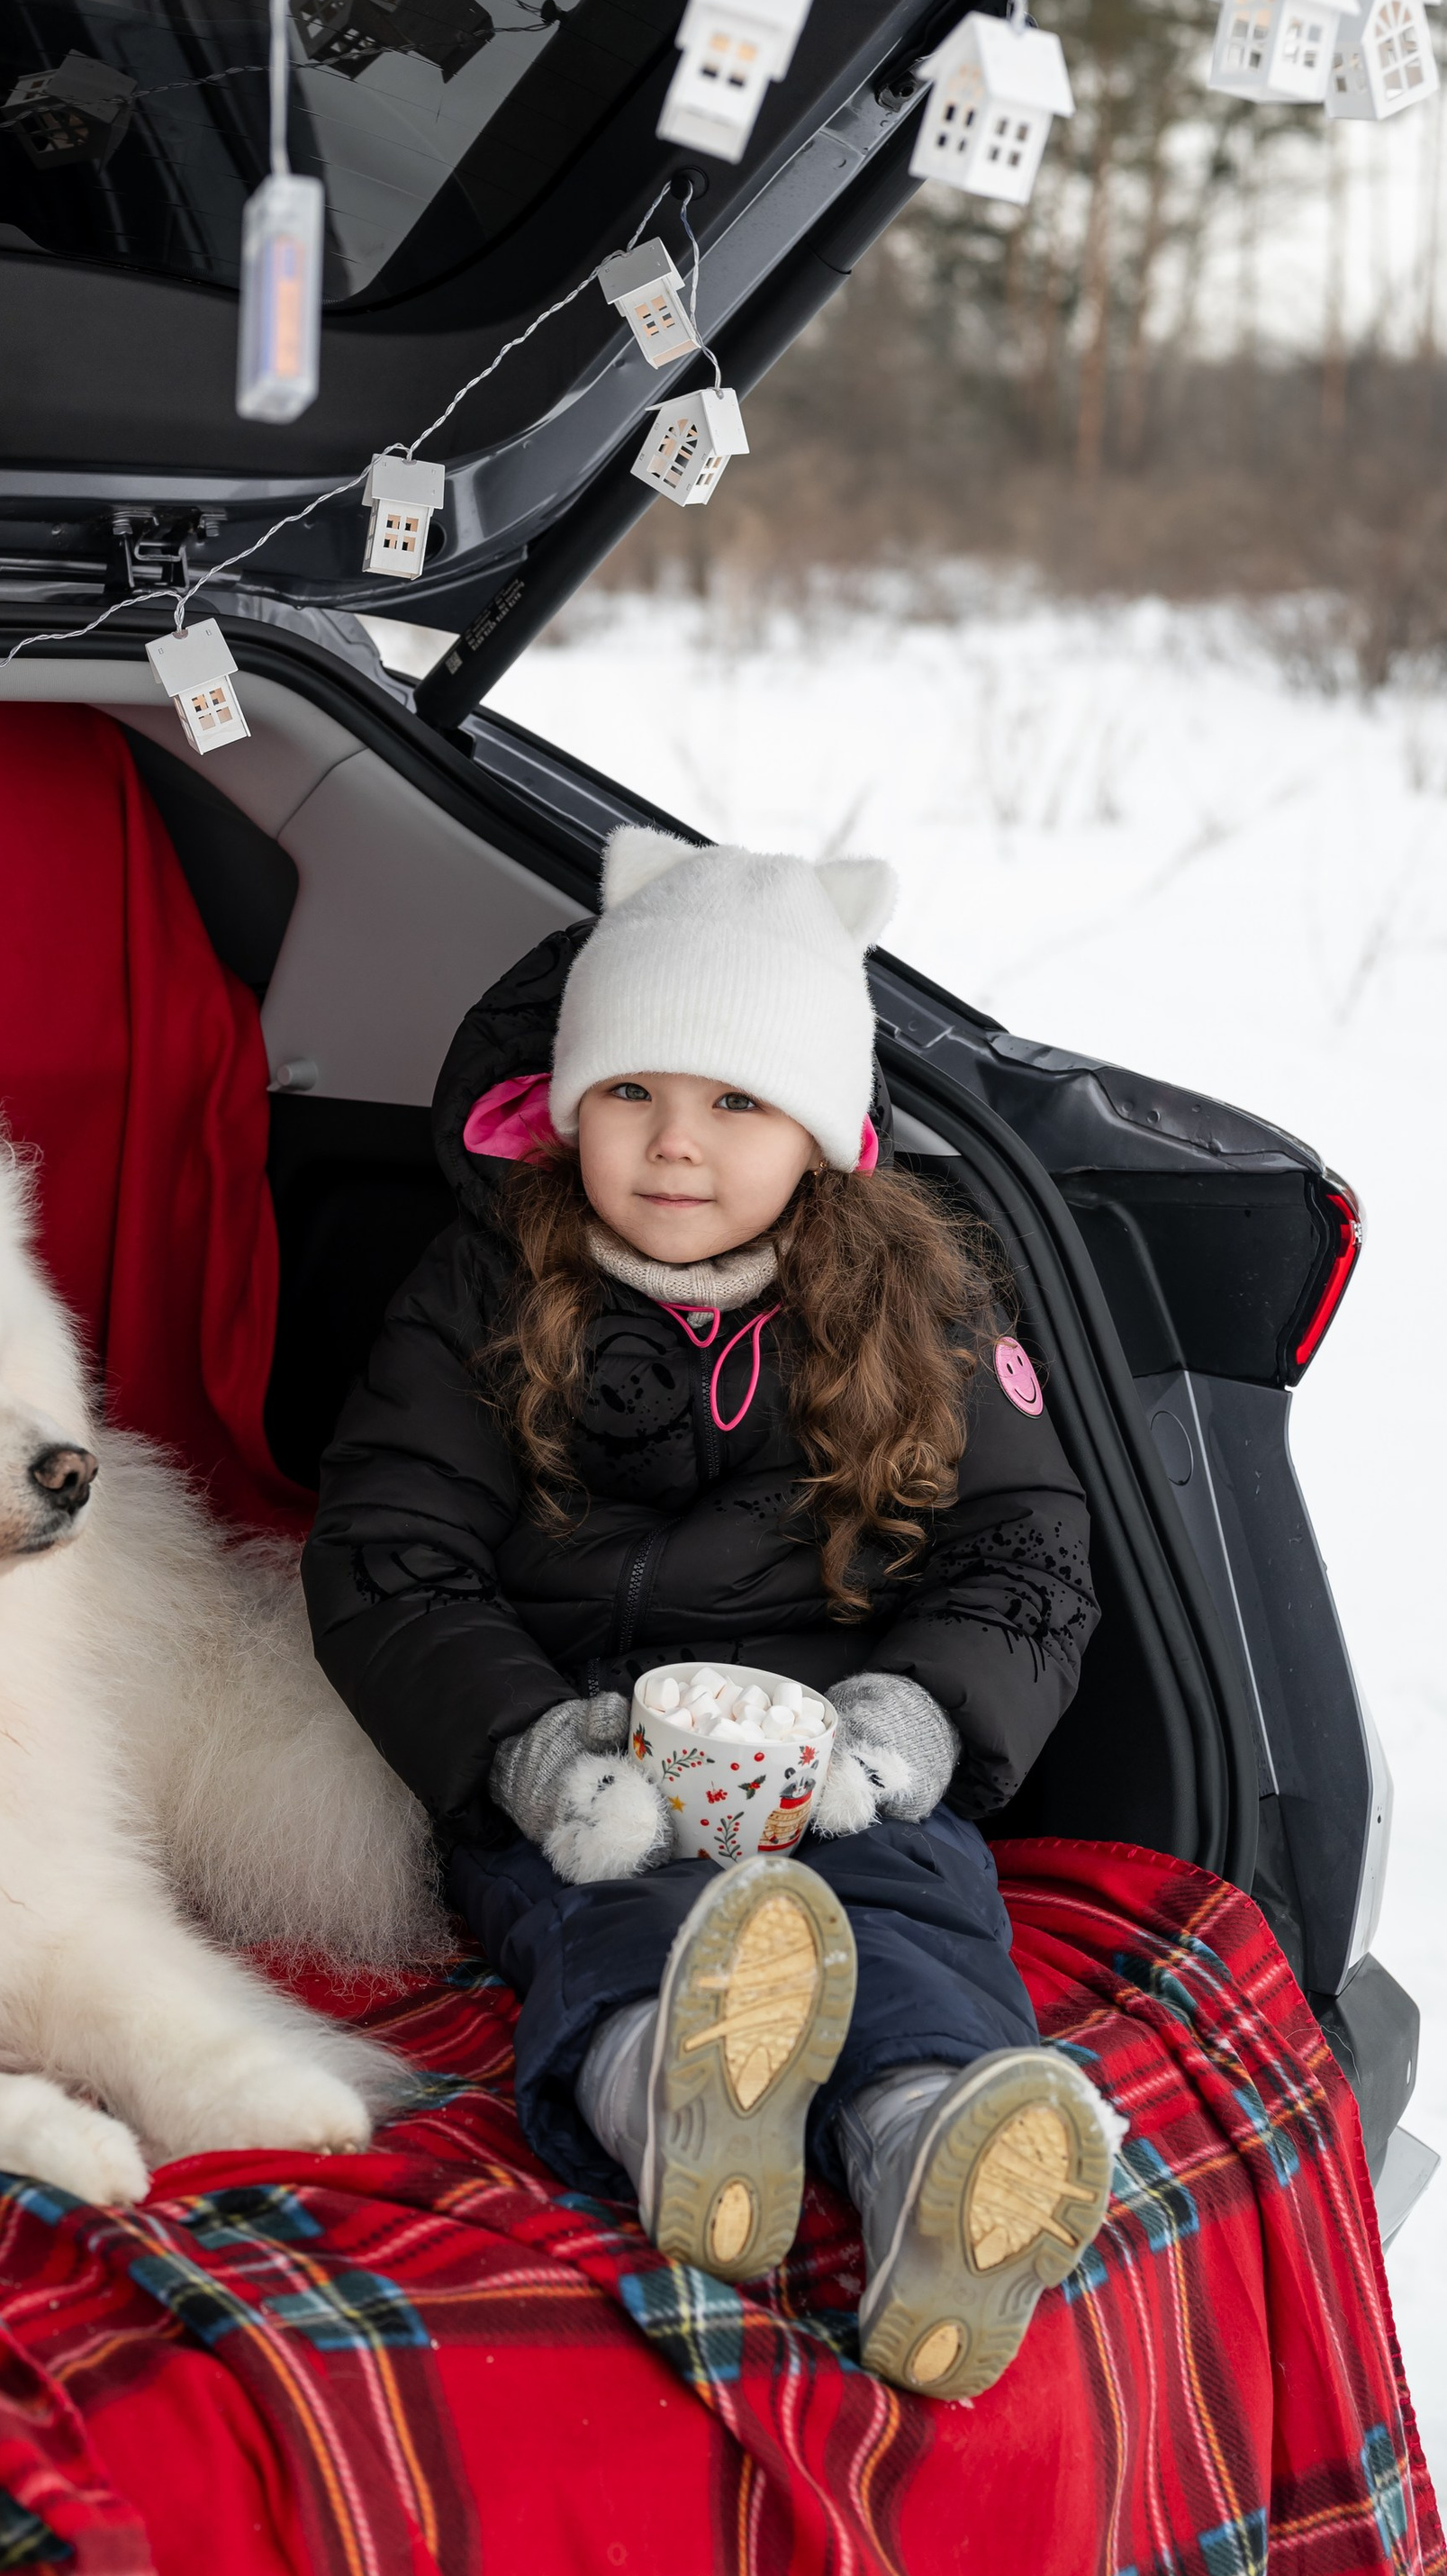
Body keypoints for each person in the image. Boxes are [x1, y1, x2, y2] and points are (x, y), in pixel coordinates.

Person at [303, 833, 1119, 2400]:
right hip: (584, 1734)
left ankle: (926, 2145)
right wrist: (530, 1748)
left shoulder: (921, 1299)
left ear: (822, 1127)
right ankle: (667, 2104)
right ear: (566, 1105)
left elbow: (1026, 1548)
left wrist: (912, 1723)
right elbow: (388, 1550)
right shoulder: (483, 1285)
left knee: (910, 1890)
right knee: (610, 1903)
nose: (676, 1144)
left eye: (738, 1100)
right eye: (632, 1090)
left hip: (834, 1731)